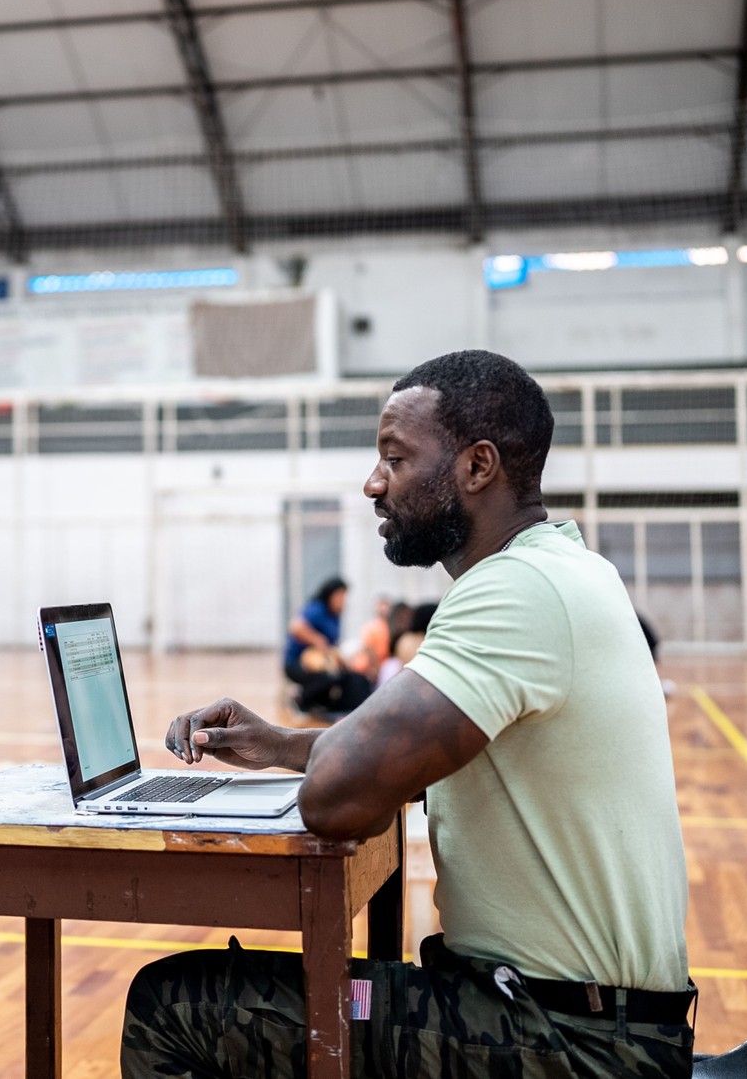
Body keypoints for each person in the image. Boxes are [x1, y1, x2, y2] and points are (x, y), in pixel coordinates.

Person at [126, 349, 692, 1078]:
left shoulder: (516, 591)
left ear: (477, 466)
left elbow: (338, 799)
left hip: (572, 1043)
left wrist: (320, 761)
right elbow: (406, 759)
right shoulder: (566, 567)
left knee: (174, 1005)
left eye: (394, 458)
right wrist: (281, 743)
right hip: (581, 1019)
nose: (372, 482)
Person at [283, 577, 371, 715]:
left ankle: (329, 706)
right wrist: (317, 640)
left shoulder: (334, 615)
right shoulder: (317, 609)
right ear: (331, 594)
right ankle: (301, 699)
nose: (343, 600)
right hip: (297, 664)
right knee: (329, 678)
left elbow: (333, 646)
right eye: (340, 596)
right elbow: (295, 626)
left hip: (322, 664)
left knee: (349, 677)